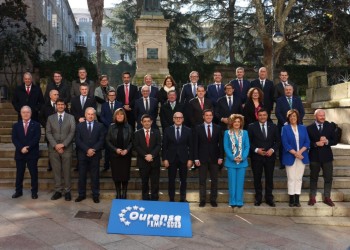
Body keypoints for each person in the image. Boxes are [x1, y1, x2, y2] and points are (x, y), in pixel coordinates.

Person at [248, 109, 280, 207]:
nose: (262, 117)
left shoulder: (273, 126)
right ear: (257, 116)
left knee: (269, 178)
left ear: (267, 116)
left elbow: (278, 141)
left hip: (270, 157)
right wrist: (257, 150)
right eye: (260, 115)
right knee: (257, 178)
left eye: (264, 115)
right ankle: (258, 198)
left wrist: (272, 150)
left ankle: (269, 198)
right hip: (256, 157)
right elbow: (248, 142)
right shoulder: (251, 126)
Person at [46, 99, 76, 201]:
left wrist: (63, 144)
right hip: (54, 149)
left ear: (65, 106)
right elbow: (48, 133)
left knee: (67, 170)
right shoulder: (50, 118)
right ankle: (58, 191)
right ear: (56, 106)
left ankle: (67, 191)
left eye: (62, 104)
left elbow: (72, 132)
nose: (60, 106)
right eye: (58, 104)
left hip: (66, 148)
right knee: (56, 171)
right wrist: (56, 145)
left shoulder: (71, 118)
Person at [193, 109, 223, 207]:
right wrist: (196, 158)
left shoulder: (218, 128)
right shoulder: (198, 128)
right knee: (202, 181)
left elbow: (221, 145)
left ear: (212, 116)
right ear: (203, 116)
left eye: (210, 115)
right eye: (207, 115)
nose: (209, 117)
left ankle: (213, 199)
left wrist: (221, 157)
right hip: (202, 159)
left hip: (215, 158)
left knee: (214, 180)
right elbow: (195, 144)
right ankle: (202, 200)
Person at [307, 109, 337, 207]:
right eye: (320, 115)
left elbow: (335, 140)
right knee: (313, 178)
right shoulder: (309, 128)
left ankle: (327, 197)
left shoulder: (330, 126)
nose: (322, 117)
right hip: (314, 157)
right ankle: (312, 197)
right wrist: (316, 143)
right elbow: (306, 143)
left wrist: (327, 141)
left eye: (323, 115)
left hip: (327, 157)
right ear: (315, 116)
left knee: (328, 178)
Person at [75, 108, 105, 203]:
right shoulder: (79, 126)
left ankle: (95, 195)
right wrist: (87, 149)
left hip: (95, 154)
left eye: (92, 114)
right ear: (85, 115)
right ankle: (81, 194)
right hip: (82, 154)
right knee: (82, 175)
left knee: (95, 176)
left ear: (95, 115)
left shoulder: (100, 126)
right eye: (88, 114)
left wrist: (93, 149)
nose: (90, 116)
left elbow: (101, 140)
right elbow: (78, 140)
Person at [281, 109, 310, 207]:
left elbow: (307, 142)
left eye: (294, 116)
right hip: (290, 156)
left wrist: (299, 152)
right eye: (291, 116)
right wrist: (295, 153)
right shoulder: (285, 128)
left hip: (302, 156)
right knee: (291, 178)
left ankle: (297, 199)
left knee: (298, 178)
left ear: (298, 117)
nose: (293, 118)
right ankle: (291, 199)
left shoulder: (303, 128)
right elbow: (285, 143)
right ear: (288, 118)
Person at [162, 112, 193, 202]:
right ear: (173, 119)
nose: (178, 119)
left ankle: (182, 198)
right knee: (171, 180)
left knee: (183, 180)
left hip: (184, 159)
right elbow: (164, 146)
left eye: (180, 117)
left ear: (183, 119)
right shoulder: (167, 130)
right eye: (176, 117)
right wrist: (165, 159)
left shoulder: (188, 130)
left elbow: (191, 146)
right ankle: (171, 198)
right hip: (171, 159)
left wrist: (190, 159)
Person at [11, 106, 41, 199]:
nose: (25, 114)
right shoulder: (16, 125)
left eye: (27, 112)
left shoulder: (36, 125)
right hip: (20, 154)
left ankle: (34, 192)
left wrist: (28, 147)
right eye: (23, 112)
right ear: (20, 113)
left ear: (30, 113)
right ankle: (18, 191)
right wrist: (21, 148)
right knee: (19, 173)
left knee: (34, 174)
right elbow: (14, 139)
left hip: (32, 153)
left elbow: (36, 138)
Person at [106, 108, 133, 199]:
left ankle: (124, 193)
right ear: (115, 116)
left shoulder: (129, 126)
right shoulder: (111, 126)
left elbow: (132, 141)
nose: (120, 116)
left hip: (126, 155)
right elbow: (108, 141)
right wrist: (115, 149)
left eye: (121, 114)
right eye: (118, 114)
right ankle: (118, 193)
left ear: (124, 116)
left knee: (125, 175)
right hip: (115, 155)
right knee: (116, 175)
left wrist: (127, 150)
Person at [275, 85, 305, 169]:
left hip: (297, 125)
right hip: (283, 125)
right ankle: (282, 162)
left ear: (293, 90)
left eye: (290, 90)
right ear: (284, 91)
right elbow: (278, 113)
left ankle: (297, 157)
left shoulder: (297, 99)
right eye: (286, 90)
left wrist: (297, 121)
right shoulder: (280, 100)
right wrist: (285, 122)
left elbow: (302, 112)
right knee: (283, 144)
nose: (288, 91)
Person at [223, 114, 249, 207]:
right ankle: (232, 201)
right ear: (231, 122)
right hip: (231, 162)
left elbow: (247, 146)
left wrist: (243, 157)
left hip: (242, 162)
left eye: (238, 121)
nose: (237, 123)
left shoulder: (245, 133)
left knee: (240, 183)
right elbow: (226, 146)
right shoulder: (227, 133)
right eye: (235, 121)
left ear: (241, 123)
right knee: (232, 182)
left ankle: (239, 201)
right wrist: (232, 157)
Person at [133, 114, 161, 200]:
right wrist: (145, 156)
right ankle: (145, 198)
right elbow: (136, 146)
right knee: (144, 182)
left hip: (154, 161)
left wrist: (151, 155)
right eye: (144, 121)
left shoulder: (156, 132)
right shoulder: (137, 133)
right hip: (143, 161)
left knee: (155, 182)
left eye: (148, 121)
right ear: (141, 122)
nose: (147, 123)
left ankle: (154, 198)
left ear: (151, 122)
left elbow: (158, 145)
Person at [100, 89, 123, 171]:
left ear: (115, 96)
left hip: (117, 129)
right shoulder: (104, 105)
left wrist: (115, 123)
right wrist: (108, 123)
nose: (112, 96)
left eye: (113, 95)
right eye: (110, 95)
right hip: (107, 129)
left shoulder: (119, 104)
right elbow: (101, 116)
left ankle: (117, 166)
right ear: (108, 96)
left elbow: (122, 115)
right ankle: (106, 166)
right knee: (107, 149)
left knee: (117, 147)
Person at [40, 89, 60, 171]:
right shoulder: (45, 106)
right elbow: (41, 118)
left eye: (57, 94)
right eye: (55, 94)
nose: (57, 96)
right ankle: (51, 165)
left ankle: (59, 165)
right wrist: (47, 126)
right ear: (50, 96)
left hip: (60, 132)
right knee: (51, 150)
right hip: (50, 133)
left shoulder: (61, 105)